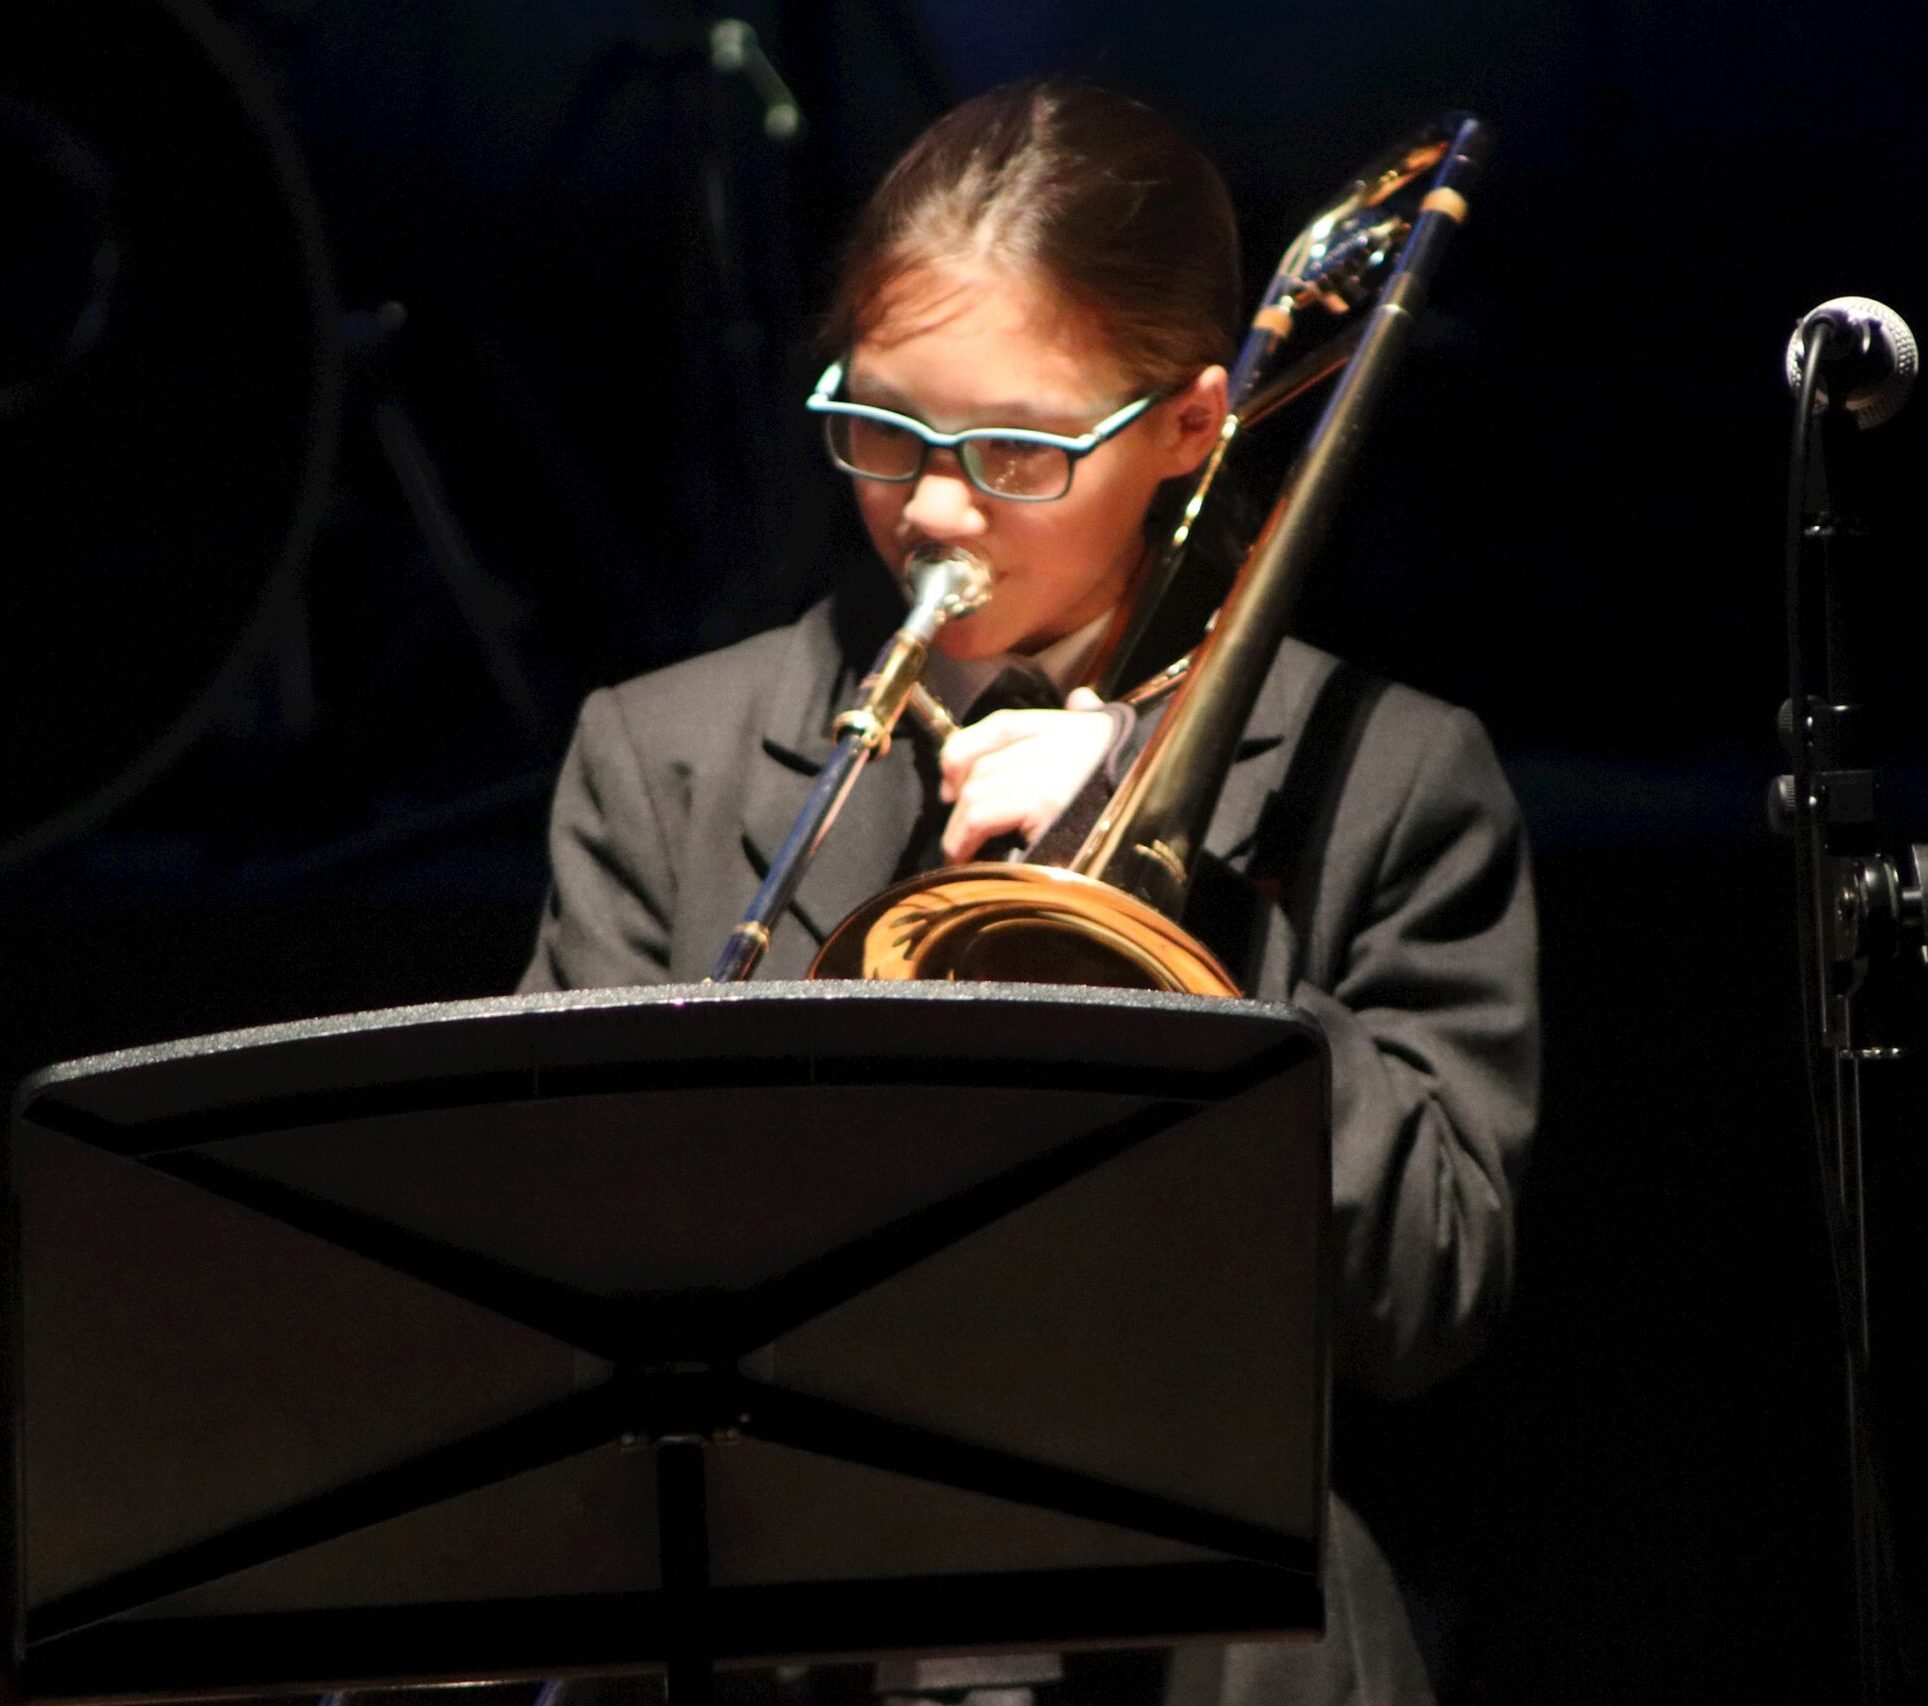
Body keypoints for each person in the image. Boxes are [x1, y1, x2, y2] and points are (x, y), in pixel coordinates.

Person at [520, 78, 1538, 1706]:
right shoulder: (665, 761)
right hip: (777, 1637)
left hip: (1211, 1643)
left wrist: (1178, 889)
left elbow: (1421, 1297)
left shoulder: (1391, 775)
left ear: (1193, 431)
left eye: (1012, 451)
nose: (928, 507)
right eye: (880, 425)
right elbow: (550, 1266)